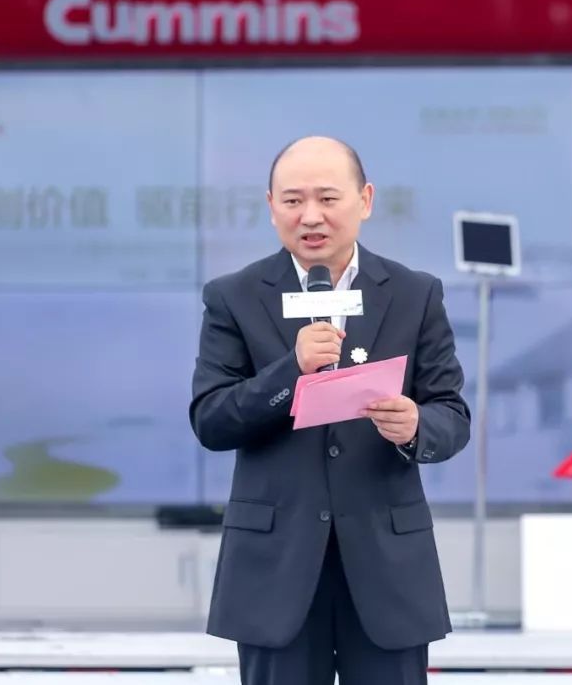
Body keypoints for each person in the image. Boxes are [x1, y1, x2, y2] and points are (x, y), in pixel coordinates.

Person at [189, 135, 471, 684]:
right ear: (271, 206)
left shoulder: (414, 293)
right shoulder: (234, 297)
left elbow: (451, 414)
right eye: (293, 200)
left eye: (327, 198)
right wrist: (290, 371)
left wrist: (416, 426)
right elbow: (211, 419)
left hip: (387, 567)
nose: (311, 216)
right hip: (276, 567)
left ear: (365, 200)